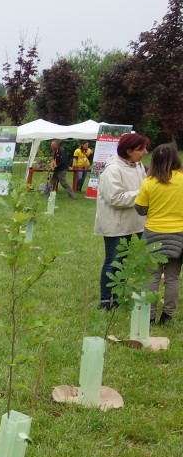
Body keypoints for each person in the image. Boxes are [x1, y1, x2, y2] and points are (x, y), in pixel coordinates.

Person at [94, 133, 150, 310]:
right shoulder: (113, 169)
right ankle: (105, 300)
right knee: (113, 262)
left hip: (134, 224)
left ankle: (118, 297)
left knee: (125, 262)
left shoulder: (138, 166)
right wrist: (143, 195)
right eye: (142, 149)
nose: (146, 152)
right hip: (116, 225)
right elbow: (115, 198)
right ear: (129, 151)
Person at [134, 144, 183, 324]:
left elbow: (140, 209)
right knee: (172, 278)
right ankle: (167, 315)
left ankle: (150, 315)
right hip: (179, 236)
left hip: (153, 234)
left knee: (152, 278)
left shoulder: (149, 182)